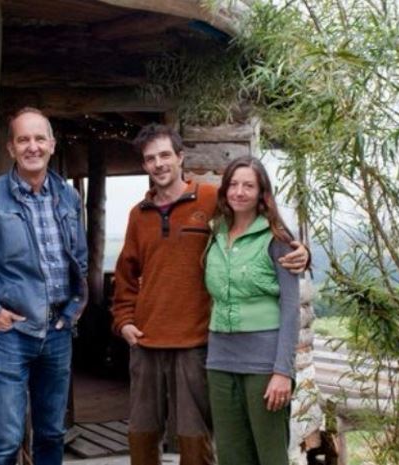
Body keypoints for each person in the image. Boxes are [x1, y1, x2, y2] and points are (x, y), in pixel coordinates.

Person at [112, 124, 308, 465]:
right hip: (146, 338)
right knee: (142, 430)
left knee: (195, 434)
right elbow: (126, 273)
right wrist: (124, 321)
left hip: (196, 340)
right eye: (150, 159)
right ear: (144, 166)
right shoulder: (137, 215)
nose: (158, 164)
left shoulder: (210, 201)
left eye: (165, 156)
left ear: (180, 158)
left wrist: (299, 249)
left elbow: (256, 219)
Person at [0, 107, 87, 465]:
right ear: (11, 148)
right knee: (7, 440)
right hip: (10, 334)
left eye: (40, 138)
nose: (32, 147)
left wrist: (72, 311)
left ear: (52, 144)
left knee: (52, 434)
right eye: (23, 139)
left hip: (57, 332)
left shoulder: (69, 198)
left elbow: (80, 261)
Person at [204, 156, 299, 465]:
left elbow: (290, 307)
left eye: (249, 185)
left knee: (270, 456)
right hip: (220, 361)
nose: (239, 192)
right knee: (231, 456)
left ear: (262, 193)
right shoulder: (215, 234)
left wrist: (283, 371)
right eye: (233, 184)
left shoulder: (278, 238)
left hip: (264, 364)